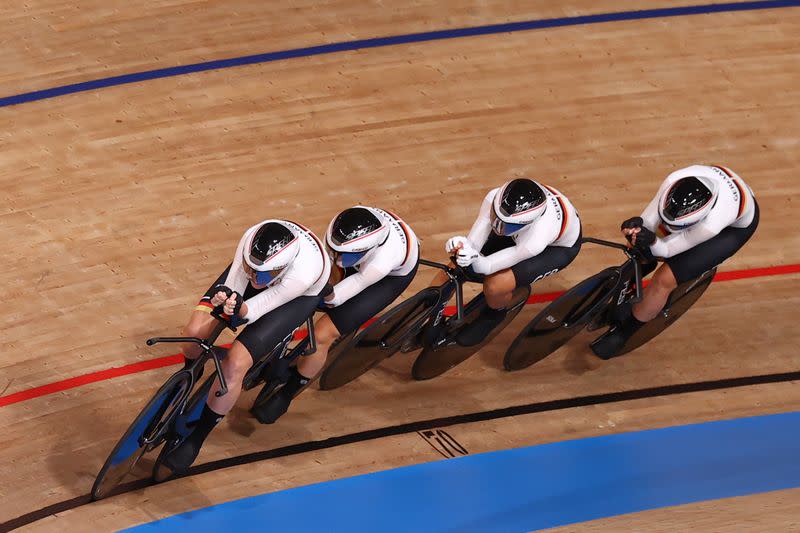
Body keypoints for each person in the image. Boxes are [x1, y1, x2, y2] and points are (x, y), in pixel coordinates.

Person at [159, 219, 331, 475]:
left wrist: (237, 308)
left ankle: (197, 438)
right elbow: (237, 283)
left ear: (281, 268)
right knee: (194, 334)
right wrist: (227, 299)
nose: (255, 279)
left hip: (295, 297)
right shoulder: (251, 241)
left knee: (235, 363)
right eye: (251, 269)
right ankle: (190, 372)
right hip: (266, 268)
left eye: (263, 275)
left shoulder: (301, 275)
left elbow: (251, 312)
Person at [252, 206, 420, 423]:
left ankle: (288, 393)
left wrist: (322, 293)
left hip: (388, 278)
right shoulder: (339, 237)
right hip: (358, 252)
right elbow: (325, 262)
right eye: (333, 249)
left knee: (323, 334)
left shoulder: (380, 264)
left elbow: (336, 297)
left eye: (342, 255)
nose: (336, 256)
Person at [592, 164, 759, 359]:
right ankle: (634, 280)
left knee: (664, 280)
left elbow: (669, 249)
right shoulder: (674, 180)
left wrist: (653, 241)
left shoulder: (710, 226)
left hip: (733, 230)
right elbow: (647, 221)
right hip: (712, 192)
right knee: (640, 245)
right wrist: (635, 230)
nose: (668, 228)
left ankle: (624, 333)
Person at [444, 178, 582, 346]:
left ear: (526, 224)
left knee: (495, 285)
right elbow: (473, 245)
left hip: (559, 248)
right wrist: (462, 246)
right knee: (453, 267)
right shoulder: (493, 198)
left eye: (506, 226)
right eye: (495, 217)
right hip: (521, 231)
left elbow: (486, 266)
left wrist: (474, 257)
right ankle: (428, 310)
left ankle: (495, 314)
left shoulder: (535, 240)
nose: (497, 227)